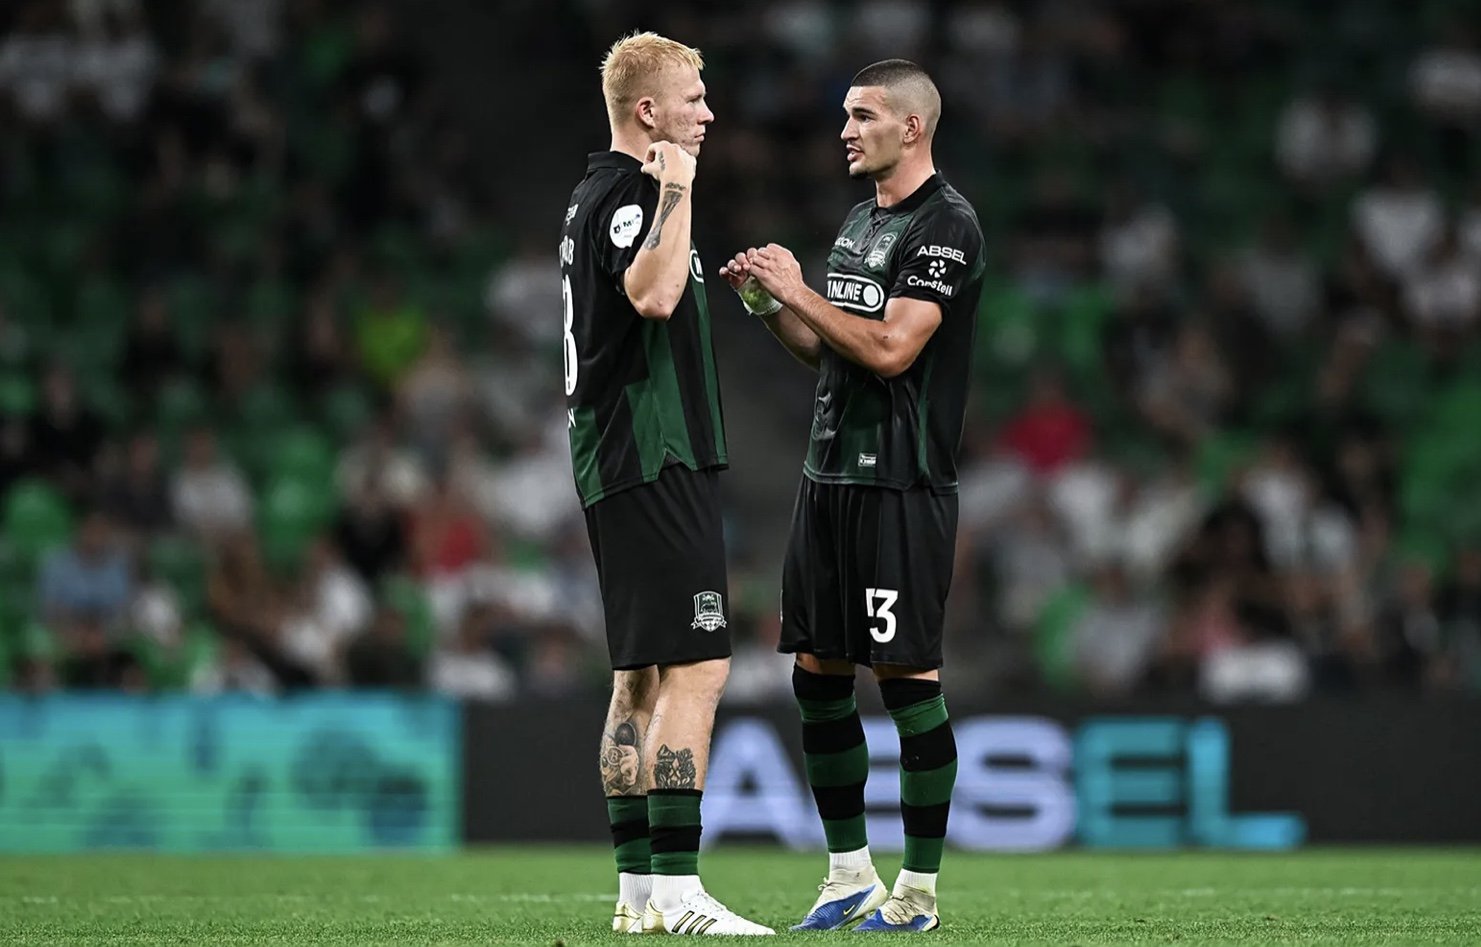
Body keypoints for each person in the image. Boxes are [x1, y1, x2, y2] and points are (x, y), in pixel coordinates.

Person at [722, 59, 986, 934]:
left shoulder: (946, 225)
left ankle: (919, 891)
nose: (844, 130)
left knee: (906, 683)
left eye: (862, 115)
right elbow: (829, 350)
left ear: (911, 127)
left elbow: (890, 350)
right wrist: (769, 304)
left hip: (899, 484)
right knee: (816, 677)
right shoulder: (859, 219)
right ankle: (847, 874)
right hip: (827, 476)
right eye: (844, 115)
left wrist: (798, 287)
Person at [560, 32, 772, 937]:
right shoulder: (632, 192)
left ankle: (638, 892)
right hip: (653, 452)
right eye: (693, 99)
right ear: (647, 112)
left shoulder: (592, 196)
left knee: (638, 678)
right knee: (698, 666)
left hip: (619, 457)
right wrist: (676, 186)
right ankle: (681, 892)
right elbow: (650, 296)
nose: (708, 114)